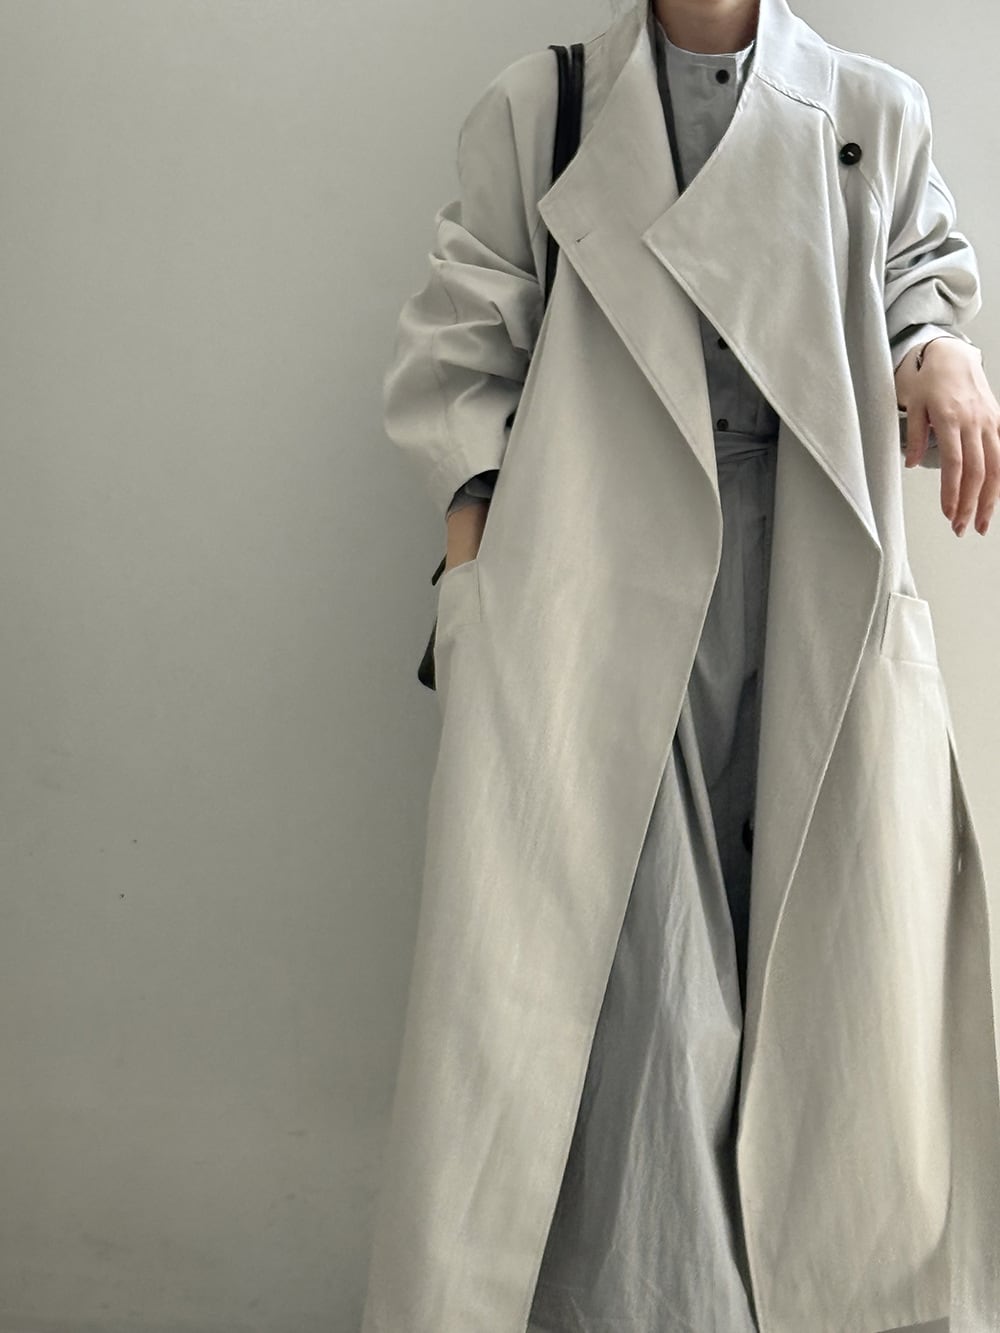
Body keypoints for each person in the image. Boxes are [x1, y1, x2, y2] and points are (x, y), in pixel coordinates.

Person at [362, 2, 1000, 1330]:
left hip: (812, 585)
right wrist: (478, 585)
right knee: (641, 1010)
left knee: (833, 1014)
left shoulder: (870, 109)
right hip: (593, 585)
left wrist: (943, 350)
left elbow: (918, 274)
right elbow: (461, 348)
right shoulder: (545, 106)